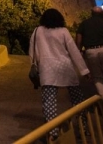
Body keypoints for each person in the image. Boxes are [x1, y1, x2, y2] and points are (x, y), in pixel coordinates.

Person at [30, 8, 90, 141]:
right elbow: (74, 51)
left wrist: (38, 64)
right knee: (77, 100)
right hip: (65, 69)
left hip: (47, 71)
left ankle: (53, 131)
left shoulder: (37, 31)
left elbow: (32, 52)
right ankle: (83, 127)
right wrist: (84, 70)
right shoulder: (64, 31)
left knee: (49, 102)